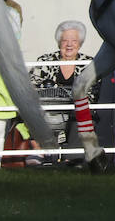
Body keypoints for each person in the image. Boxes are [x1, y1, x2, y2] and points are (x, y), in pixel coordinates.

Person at [31, 20, 98, 162]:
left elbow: (94, 91)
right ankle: (38, 152)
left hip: (76, 109)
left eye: (74, 41)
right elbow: (31, 86)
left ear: (80, 44)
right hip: (48, 108)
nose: (69, 45)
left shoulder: (89, 63)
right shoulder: (45, 61)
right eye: (64, 40)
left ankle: (72, 156)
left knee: (81, 112)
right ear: (58, 43)